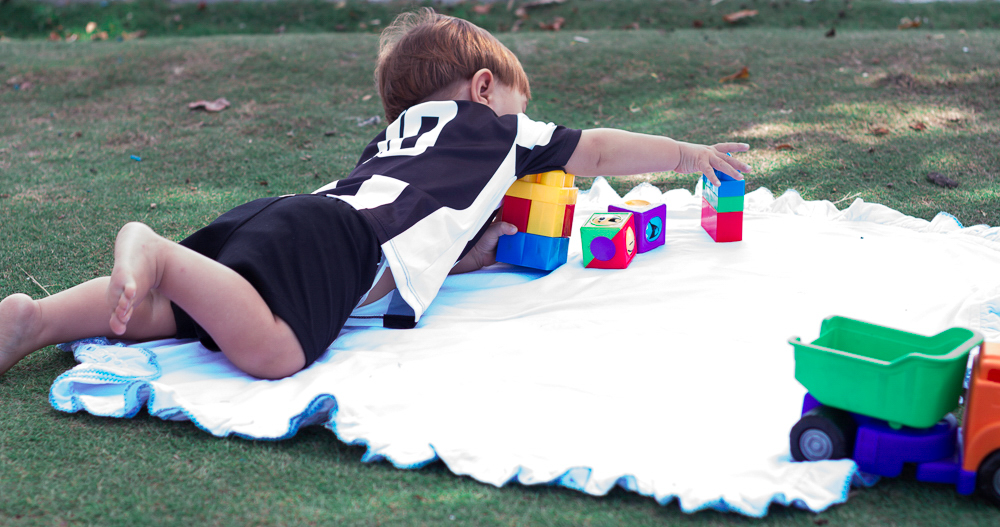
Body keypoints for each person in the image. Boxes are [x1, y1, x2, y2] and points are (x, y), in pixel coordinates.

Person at [0, 9, 749, 381]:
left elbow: (426, 247)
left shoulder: (395, 139)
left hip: (291, 216)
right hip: (338, 240)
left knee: (179, 317)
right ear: (486, 89)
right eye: (521, 104)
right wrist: (691, 154)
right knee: (272, 352)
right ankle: (153, 248)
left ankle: (38, 318)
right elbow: (599, 150)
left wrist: (477, 254)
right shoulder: (498, 129)